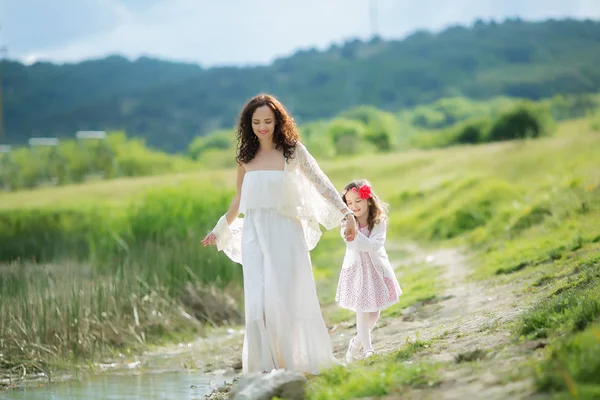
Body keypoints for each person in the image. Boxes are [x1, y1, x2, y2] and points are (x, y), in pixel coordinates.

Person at [201, 93, 357, 375]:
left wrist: (346, 213)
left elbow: (321, 183)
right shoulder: (245, 157)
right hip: (254, 233)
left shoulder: (292, 151)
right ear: (249, 124)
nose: (262, 127)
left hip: (285, 232)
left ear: (278, 121)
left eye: (268, 121)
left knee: (286, 297)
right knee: (258, 301)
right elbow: (239, 199)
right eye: (256, 122)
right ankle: (265, 365)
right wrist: (220, 228)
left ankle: (295, 363)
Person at [335, 179, 402, 363]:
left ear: (368, 200)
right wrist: (362, 241)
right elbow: (353, 242)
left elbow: (375, 246)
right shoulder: (347, 224)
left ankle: (356, 343)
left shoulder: (378, 221)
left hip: (376, 270)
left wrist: (362, 241)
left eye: (358, 201)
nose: (354, 206)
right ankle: (368, 349)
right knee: (362, 310)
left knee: (375, 313)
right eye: (349, 203)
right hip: (357, 270)